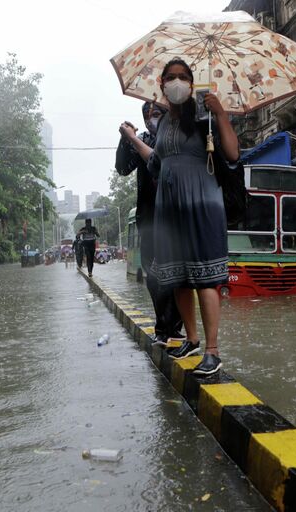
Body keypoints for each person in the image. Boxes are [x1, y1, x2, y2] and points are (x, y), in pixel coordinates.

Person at [119, 58, 239, 376]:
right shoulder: (163, 124)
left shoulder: (203, 116)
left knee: (205, 278)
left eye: (182, 77)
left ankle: (212, 351)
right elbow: (157, 161)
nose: (176, 82)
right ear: (162, 85)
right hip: (169, 205)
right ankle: (192, 338)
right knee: (178, 278)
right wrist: (133, 140)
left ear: (191, 82)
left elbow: (232, 153)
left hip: (201, 201)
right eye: (170, 77)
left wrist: (221, 114)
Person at [116, 101, 184, 348]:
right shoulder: (140, 139)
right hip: (148, 218)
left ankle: (175, 328)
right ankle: (163, 327)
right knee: (153, 275)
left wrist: (134, 139)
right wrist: (126, 139)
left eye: (156, 114)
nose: (150, 119)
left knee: (175, 274)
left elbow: (162, 164)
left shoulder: (177, 137)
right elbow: (122, 168)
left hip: (174, 218)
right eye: (147, 115)